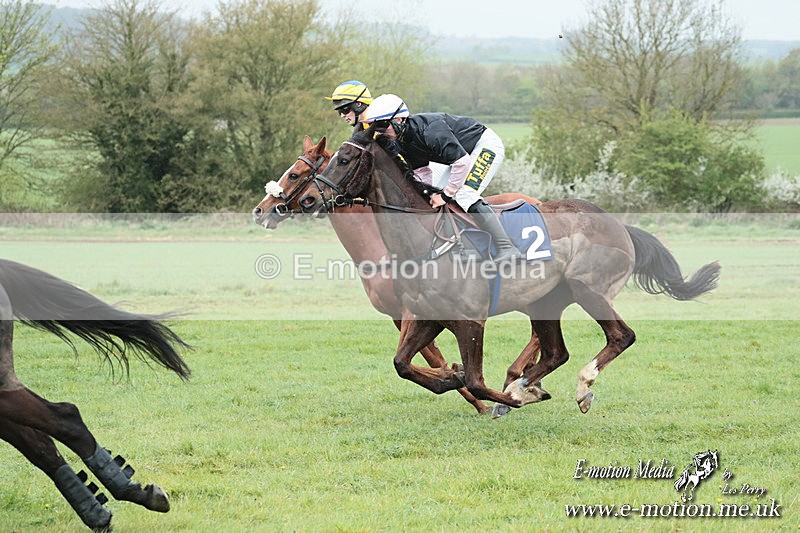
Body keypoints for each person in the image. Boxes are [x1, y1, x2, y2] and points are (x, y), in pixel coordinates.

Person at [361, 94, 522, 262]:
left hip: (483, 146)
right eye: (374, 128)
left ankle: (507, 247)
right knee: (435, 194)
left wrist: (446, 195)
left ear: (399, 120)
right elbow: (423, 172)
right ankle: (461, 244)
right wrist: (427, 195)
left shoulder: (431, 130)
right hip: (458, 158)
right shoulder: (403, 140)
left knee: (463, 194)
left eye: (382, 126)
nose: (380, 132)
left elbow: (461, 163)